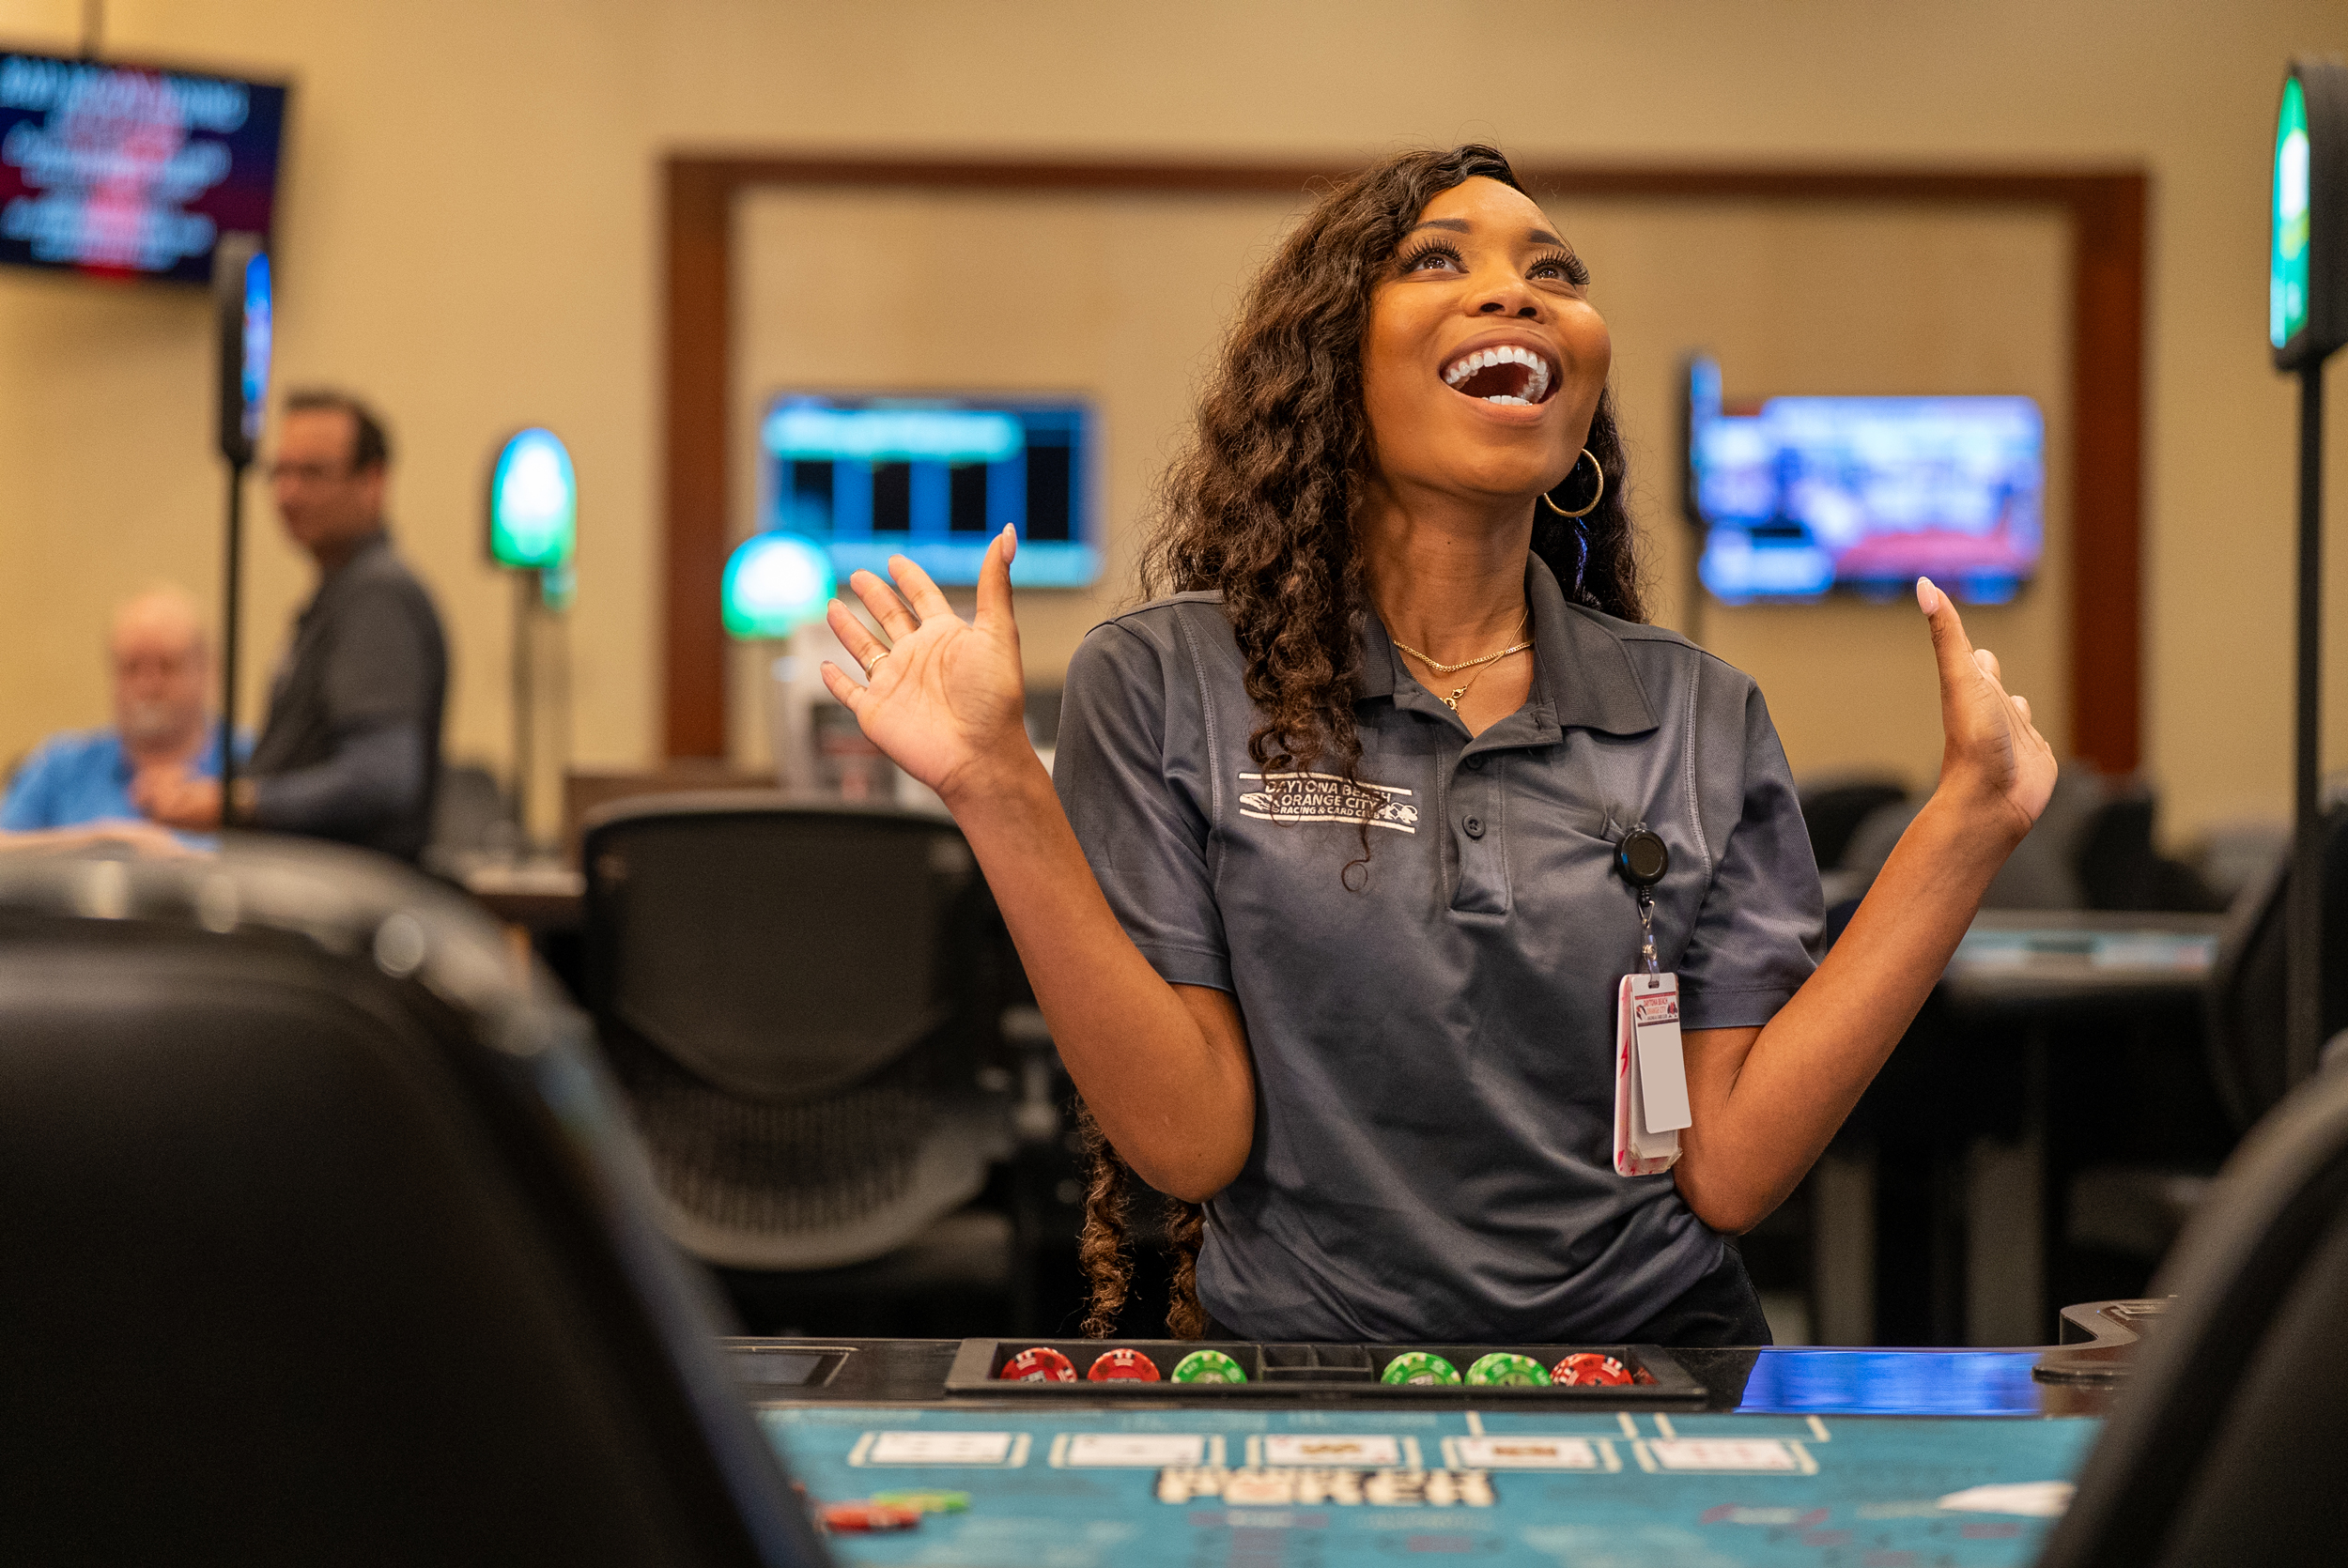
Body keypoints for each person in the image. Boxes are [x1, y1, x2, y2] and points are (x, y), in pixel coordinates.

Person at [818, 146, 2057, 1347]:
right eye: (1437, 259)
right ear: (1326, 368)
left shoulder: (1702, 714)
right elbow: (1188, 1138)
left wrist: (1970, 820)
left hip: (1657, 1365)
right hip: (1308, 1376)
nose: (1518, 289)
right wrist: (993, 786)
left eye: (1555, 270)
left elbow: (1728, 1168)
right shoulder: (1162, 679)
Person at [138, 390, 449, 864]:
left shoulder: (377, 597)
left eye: (313, 473)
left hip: (341, 905)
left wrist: (238, 803)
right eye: (280, 471)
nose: (289, 494)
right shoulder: (343, 595)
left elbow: (383, 776)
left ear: (373, 481)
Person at [1, 586, 232, 853]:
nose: (148, 686)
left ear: (208, 669)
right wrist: (98, 843)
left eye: (167, 666)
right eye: (131, 667)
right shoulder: (61, 766)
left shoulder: (255, 766)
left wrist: (178, 862)